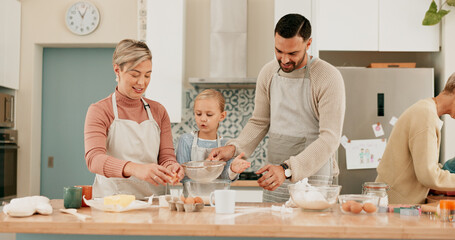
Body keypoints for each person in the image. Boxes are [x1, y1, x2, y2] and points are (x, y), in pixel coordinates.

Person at [208, 14, 346, 202]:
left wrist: (287, 169)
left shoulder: (328, 77)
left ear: (308, 43)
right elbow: (259, 122)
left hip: (314, 178)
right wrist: (233, 148)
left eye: (292, 53)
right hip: (275, 176)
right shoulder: (268, 73)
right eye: (279, 51)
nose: (284, 59)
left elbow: (330, 138)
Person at [84, 39, 184, 199]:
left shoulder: (158, 111)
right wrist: (136, 169)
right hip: (112, 204)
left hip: (154, 203)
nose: (142, 82)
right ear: (117, 70)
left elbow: (166, 157)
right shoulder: (100, 110)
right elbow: (94, 160)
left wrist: (172, 167)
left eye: (147, 75)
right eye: (135, 74)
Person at [376, 73, 455, 204]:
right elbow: (429, 176)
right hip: (395, 205)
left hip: (394, 201)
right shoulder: (426, 116)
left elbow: (423, 167)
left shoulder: (426, 110)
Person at [176, 89, 251, 183]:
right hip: (192, 196)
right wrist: (205, 167)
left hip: (218, 197)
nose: (203, 119)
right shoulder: (186, 140)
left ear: (222, 116)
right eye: (198, 114)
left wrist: (232, 169)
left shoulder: (226, 145)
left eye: (209, 115)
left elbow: (224, 178)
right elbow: (183, 176)